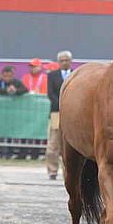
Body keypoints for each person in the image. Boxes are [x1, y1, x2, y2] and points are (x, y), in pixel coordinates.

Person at [46, 50, 72, 180]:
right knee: (54, 142)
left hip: (73, 114)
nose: (64, 62)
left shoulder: (75, 75)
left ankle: (68, 172)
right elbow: (50, 94)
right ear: (58, 62)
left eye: (66, 60)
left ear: (70, 61)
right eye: (61, 60)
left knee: (69, 144)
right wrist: (63, 105)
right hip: (57, 112)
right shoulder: (52, 75)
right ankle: (52, 170)